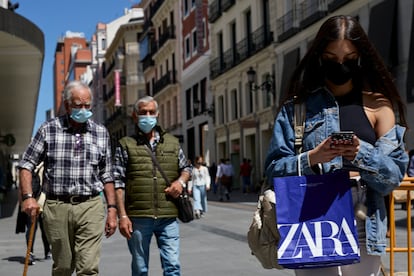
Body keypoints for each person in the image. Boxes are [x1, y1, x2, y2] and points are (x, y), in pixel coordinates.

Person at [264, 15, 408, 276]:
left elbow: (393, 177)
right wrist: (312, 157)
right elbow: (273, 172)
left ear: (361, 57)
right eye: (332, 59)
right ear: (319, 57)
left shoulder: (378, 106)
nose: (341, 65)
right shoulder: (297, 109)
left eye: (350, 59)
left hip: (365, 214)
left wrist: (360, 152)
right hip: (312, 215)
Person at [18, 80, 117, 276]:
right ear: (67, 105)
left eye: (87, 105)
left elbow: (107, 173)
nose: (83, 109)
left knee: (88, 267)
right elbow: (26, 163)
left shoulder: (100, 132)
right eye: (78, 105)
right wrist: (28, 196)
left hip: (90, 205)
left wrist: (113, 209)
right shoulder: (49, 129)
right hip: (57, 207)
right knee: (63, 267)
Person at [113, 95, 192, 276]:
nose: (147, 116)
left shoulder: (172, 142)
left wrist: (180, 182)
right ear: (135, 116)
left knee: (173, 266)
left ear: (157, 115)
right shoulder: (126, 144)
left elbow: (186, 168)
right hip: (139, 217)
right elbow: (118, 181)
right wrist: (122, 216)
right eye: (143, 113)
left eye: (151, 112)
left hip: (168, 216)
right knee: (140, 268)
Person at [16, 162, 51, 265]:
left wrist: (21, 203)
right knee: (43, 228)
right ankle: (47, 252)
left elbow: (21, 186)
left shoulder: (27, 166)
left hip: (31, 200)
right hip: (42, 200)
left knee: (31, 228)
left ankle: (30, 253)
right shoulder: (46, 164)